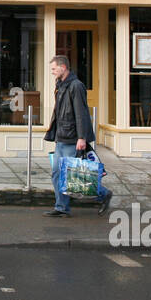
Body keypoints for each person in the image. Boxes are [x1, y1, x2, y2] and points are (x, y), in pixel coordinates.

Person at [43, 54, 109, 216]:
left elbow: (81, 113)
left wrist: (82, 137)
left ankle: (104, 194)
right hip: (61, 137)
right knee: (58, 174)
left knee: (75, 175)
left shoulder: (76, 86)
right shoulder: (61, 84)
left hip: (73, 138)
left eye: (53, 68)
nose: (52, 72)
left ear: (63, 67)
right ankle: (61, 207)